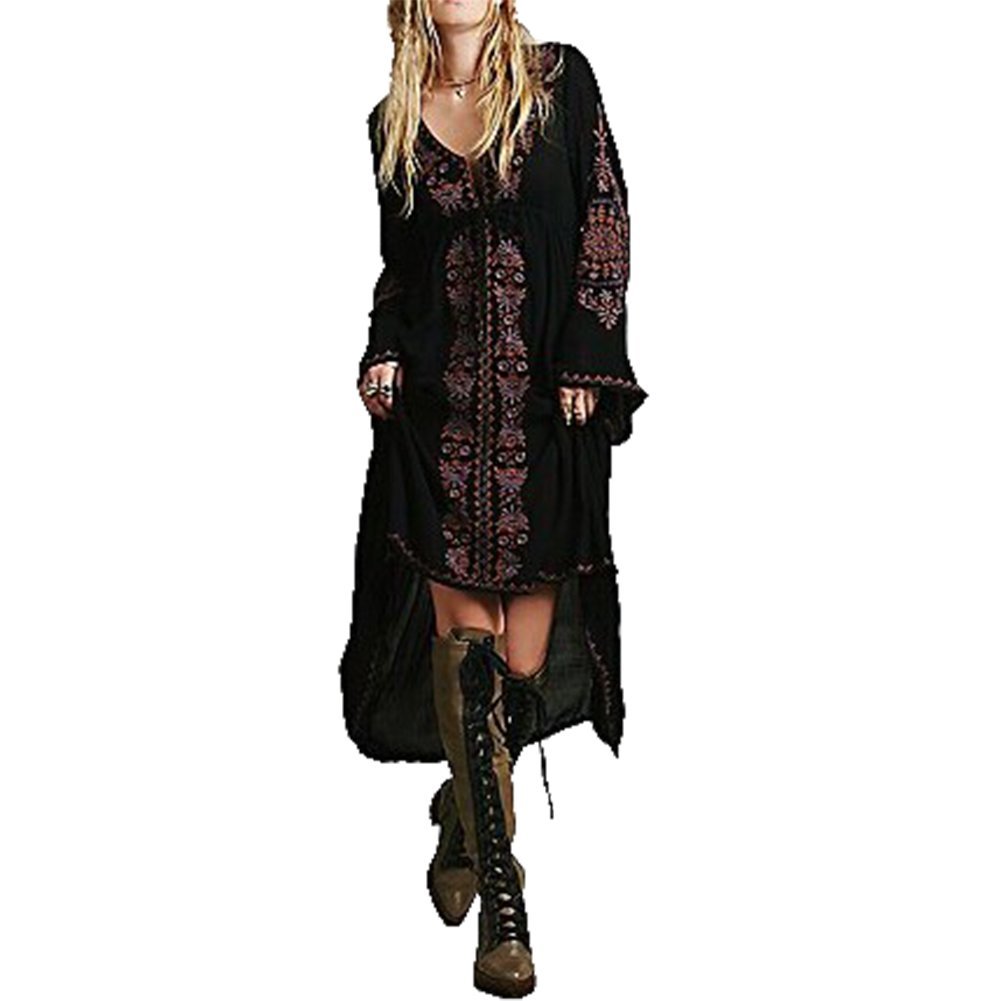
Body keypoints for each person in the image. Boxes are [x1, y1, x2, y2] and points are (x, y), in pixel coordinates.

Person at [339, 1, 647, 995]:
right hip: (438, 420)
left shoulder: (559, 80)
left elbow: (604, 217)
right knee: (466, 655)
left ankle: (461, 814)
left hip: (545, 413)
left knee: (518, 669)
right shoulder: (392, 120)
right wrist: (383, 351)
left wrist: (592, 355)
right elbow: (400, 270)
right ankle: (504, 909)